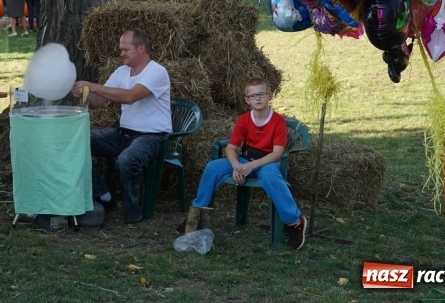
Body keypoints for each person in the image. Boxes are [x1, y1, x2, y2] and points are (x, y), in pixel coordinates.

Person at [182, 77, 307, 250]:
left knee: (271, 176)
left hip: (267, 162)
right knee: (213, 167)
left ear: (270, 96)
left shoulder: (278, 121)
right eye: (253, 96)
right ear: (247, 100)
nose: (258, 98)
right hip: (244, 160)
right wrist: (236, 167)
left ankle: (294, 222)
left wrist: (250, 166)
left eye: (262, 94)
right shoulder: (244, 119)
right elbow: (231, 148)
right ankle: (196, 213)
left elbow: (277, 153)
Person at [72, 29, 171, 224]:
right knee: (75, 143)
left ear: (141, 48)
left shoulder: (157, 71)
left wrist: (92, 85)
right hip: (122, 134)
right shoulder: (121, 71)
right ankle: (104, 196)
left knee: (127, 159)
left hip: (152, 137)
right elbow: (98, 102)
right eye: (121, 49)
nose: (121, 53)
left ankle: (133, 212)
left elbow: (130, 97)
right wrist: (83, 93)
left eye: (126, 49)